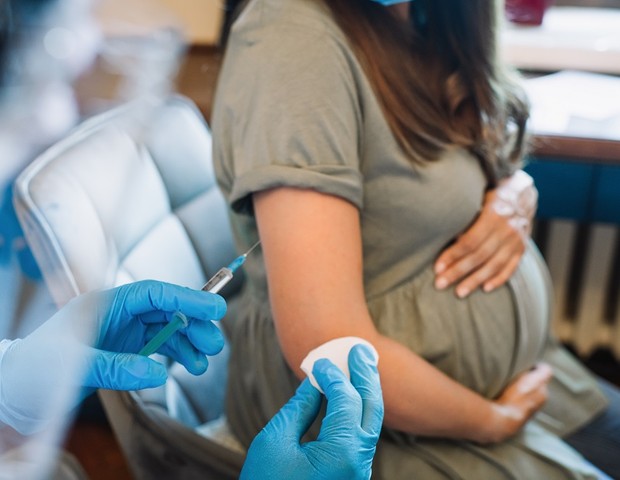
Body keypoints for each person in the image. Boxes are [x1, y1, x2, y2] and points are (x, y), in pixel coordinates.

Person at [211, 0, 620, 478]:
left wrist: (512, 191)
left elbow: (437, 176)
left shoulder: (424, 17)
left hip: (523, 378)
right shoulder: (292, 39)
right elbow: (328, 343)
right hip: (367, 420)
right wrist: (491, 422)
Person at [0, 0, 384, 478]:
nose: (53, 117)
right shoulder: (289, 40)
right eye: (35, 73)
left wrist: (7, 397)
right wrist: (499, 416)